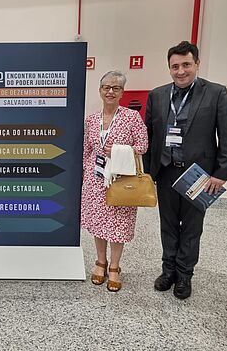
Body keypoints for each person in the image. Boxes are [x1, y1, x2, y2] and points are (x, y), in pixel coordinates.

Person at [143, 41, 227, 300]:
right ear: (169, 68)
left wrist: (221, 173)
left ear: (197, 64)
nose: (180, 71)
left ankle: (185, 275)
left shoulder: (216, 93)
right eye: (175, 66)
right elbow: (148, 136)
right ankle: (168, 270)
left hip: (200, 175)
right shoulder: (158, 95)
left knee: (192, 228)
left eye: (186, 64)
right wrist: (148, 172)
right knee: (168, 225)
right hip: (165, 171)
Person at [81, 70, 148, 292]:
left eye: (116, 88)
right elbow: (87, 149)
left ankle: (115, 268)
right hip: (95, 179)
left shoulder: (131, 117)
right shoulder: (91, 119)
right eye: (106, 87)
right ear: (100, 91)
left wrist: (118, 150)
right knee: (98, 224)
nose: (110, 91)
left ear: (122, 92)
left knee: (117, 225)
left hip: (120, 180)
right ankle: (100, 262)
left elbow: (143, 146)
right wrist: (84, 173)